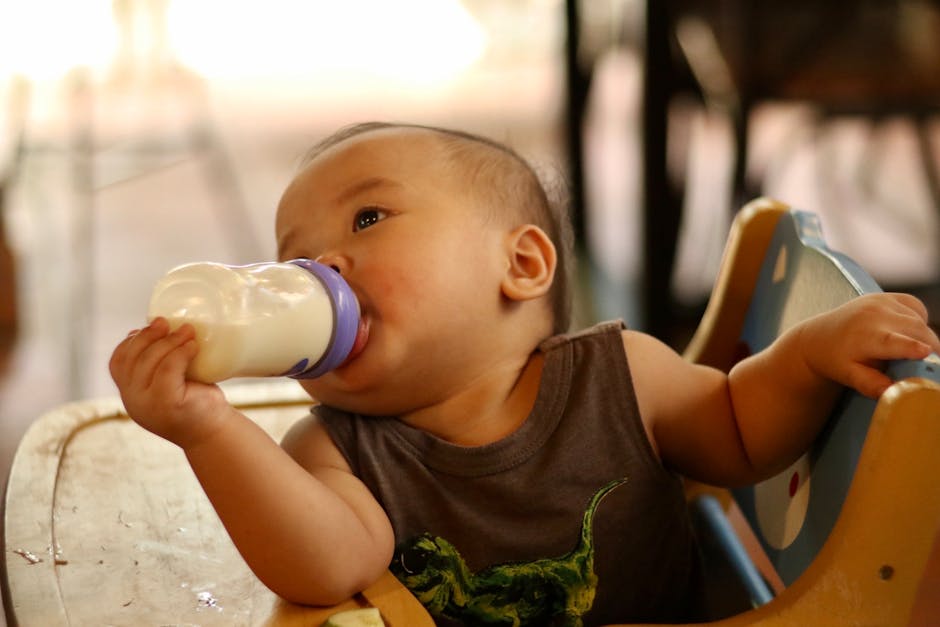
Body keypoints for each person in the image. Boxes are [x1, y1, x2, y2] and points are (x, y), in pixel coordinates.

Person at [110, 122, 940, 626]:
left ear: (522, 263)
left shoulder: (621, 376)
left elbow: (737, 429)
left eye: (370, 216)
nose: (318, 263)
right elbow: (325, 566)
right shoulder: (337, 447)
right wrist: (208, 428)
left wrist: (804, 354)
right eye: (291, 259)